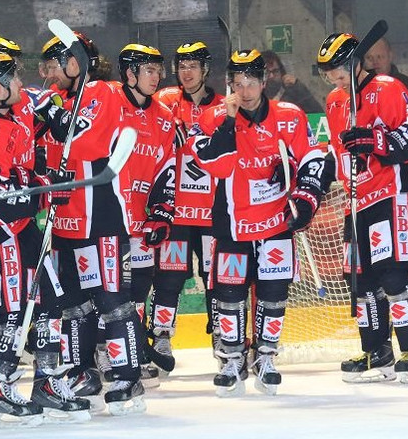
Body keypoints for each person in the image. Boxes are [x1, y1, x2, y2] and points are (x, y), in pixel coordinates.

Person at [0, 49, 92, 424]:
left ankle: (47, 381)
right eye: (13, 78)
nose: (21, 82)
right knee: (13, 309)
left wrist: (61, 118)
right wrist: (47, 189)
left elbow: (61, 118)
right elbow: (4, 199)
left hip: (24, 228)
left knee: (50, 300)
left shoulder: (19, 105)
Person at [189, 49, 326, 396]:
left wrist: (304, 195)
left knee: (273, 293)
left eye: (251, 82)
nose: (245, 90)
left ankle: (266, 356)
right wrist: (229, 123)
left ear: (265, 82)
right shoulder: (211, 118)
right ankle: (232, 359)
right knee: (228, 294)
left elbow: (314, 159)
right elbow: (216, 165)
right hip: (232, 223)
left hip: (277, 222)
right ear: (229, 84)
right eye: (238, 83)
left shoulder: (290, 117)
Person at [34, 31, 146, 415]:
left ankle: (128, 377)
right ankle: (82, 373)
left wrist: (49, 111)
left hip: (101, 218)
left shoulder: (102, 92)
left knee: (112, 301)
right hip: (65, 220)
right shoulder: (63, 99)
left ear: (75, 62)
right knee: (73, 305)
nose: (49, 74)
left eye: (54, 64)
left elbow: (83, 140)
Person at [316, 32, 408, 384]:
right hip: (356, 200)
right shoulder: (335, 101)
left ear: (353, 62)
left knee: (393, 275)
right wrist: (315, 179)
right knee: (361, 280)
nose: (332, 77)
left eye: (337, 69)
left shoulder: (387, 88)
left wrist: (373, 140)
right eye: (327, 72)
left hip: (392, 193)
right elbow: (338, 153)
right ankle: (376, 352)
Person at [156, 42, 225, 370]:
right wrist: (167, 132)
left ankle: (222, 335)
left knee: (216, 277)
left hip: (212, 211)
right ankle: (161, 336)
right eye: (182, 66)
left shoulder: (224, 105)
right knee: (168, 277)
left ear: (205, 70)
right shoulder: (165, 100)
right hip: (177, 210)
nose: (187, 72)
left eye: (193, 66)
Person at [111, 43, 176, 387]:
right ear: (130, 73)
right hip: (107, 217)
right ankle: (108, 353)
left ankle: (133, 350)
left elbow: (166, 168)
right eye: (149, 70)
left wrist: (162, 211)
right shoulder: (110, 103)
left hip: (139, 219)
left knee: (139, 287)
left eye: (158, 70)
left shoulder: (164, 116)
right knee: (110, 290)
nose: (157, 77)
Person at [363, 38, 408, 109]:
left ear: (390, 56)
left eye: (380, 57)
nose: (375, 62)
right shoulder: (357, 88)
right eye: (369, 58)